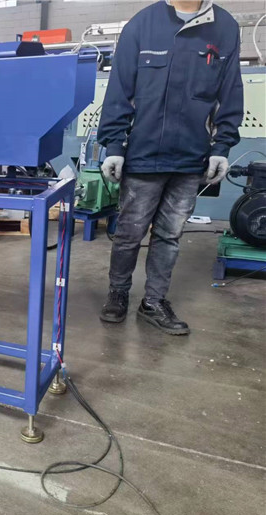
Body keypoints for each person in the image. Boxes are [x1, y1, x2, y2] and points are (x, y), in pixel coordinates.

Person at [97, 0, 244, 335]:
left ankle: (153, 301)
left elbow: (230, 91)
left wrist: (222, 147)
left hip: (191, 157)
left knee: (170, 235)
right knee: (129, 233)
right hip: (143, 155)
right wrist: (114, 145)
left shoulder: (224, 27)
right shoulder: (142, 24)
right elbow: (119, 90)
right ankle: (118, 293)